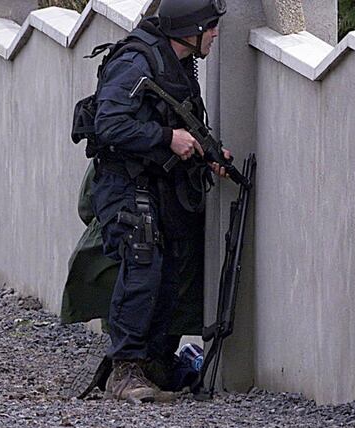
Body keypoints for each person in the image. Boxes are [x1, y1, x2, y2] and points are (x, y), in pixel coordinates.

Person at [89, 0, 231, 403]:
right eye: (211, 28)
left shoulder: (178, 64)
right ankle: (125, 369)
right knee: (143, 259)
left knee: (173, 269)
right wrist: (167, 139)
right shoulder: (137, 61)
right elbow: (110, 123)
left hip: (159, 184)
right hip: (124, 182)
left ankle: (155, 361)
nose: (216, 35)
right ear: (190, 30)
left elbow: (181, 120)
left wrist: (208, 153)